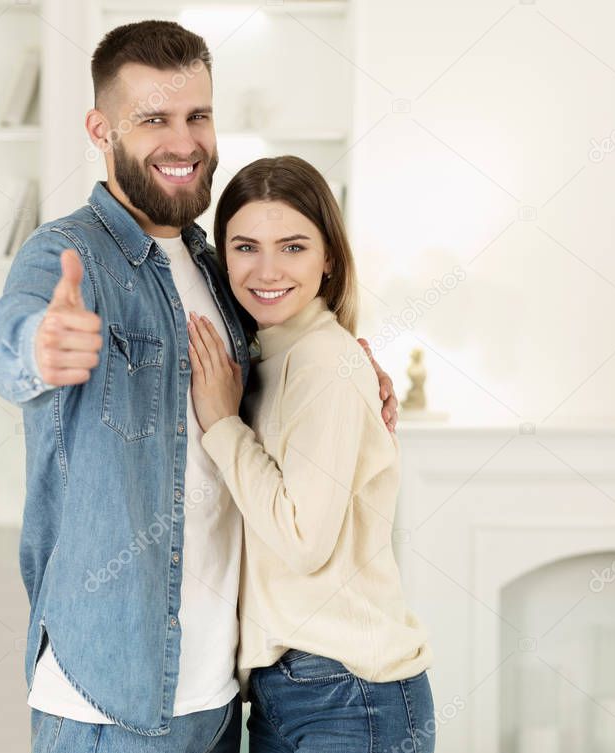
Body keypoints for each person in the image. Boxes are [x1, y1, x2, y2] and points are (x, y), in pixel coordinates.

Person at [0, 20, 398, 753]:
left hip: (219, 699)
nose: (183, 142)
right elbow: (9, 342)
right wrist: (43, 349)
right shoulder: (67, 254)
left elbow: (270, 392)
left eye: (197, 116)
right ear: (100, 129)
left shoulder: (218, 266)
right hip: (108, 700)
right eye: (153, 119)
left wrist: (357, 381)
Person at [186, 155, 434, 753]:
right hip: (294, 689)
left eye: (293, 247)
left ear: (329, 261)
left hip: (349, 692)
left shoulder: (325, 361)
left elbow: (302, 539)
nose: (266, 269)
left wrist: (221, 424)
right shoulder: (273, 360)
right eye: (245, 246)